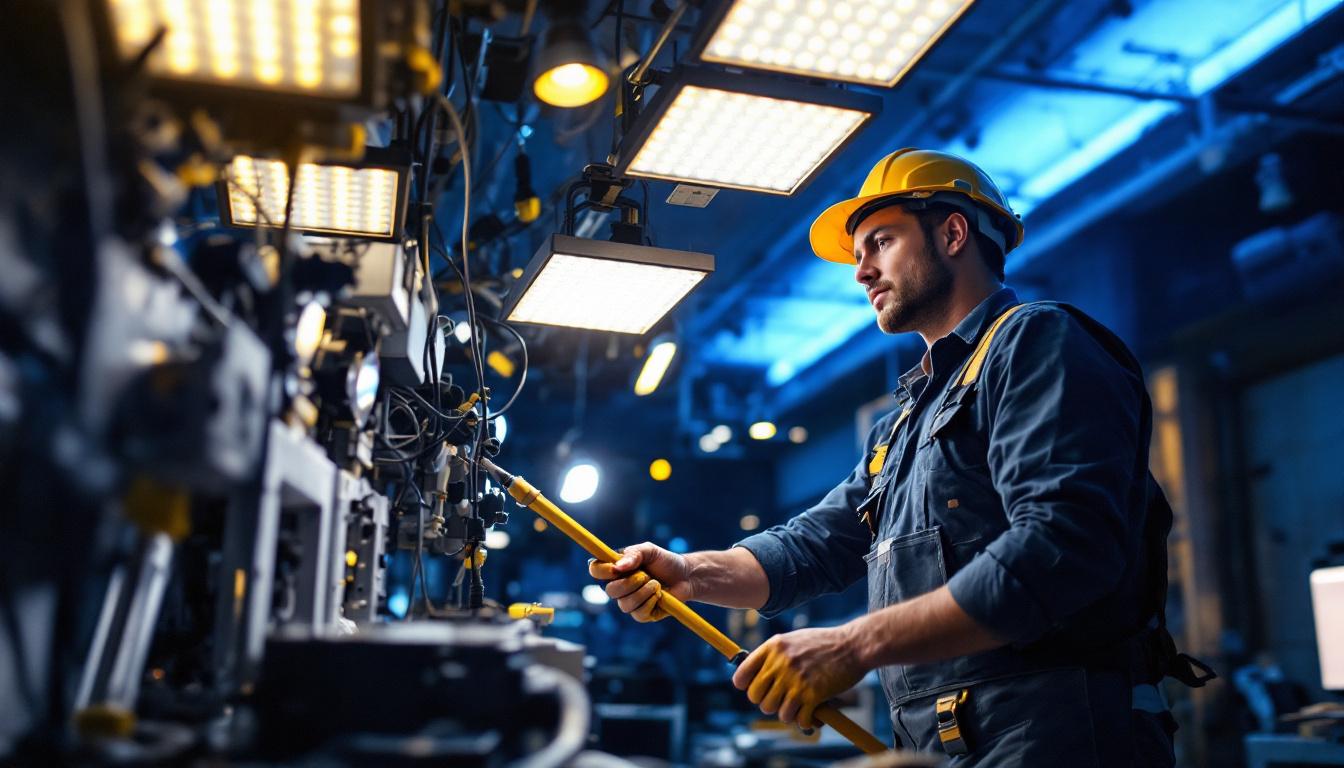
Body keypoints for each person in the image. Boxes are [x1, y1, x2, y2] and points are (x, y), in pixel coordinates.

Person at [590, 148, 1205, 765]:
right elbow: (816, 546)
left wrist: (852, 645)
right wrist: (690, 573)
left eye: (880, 242)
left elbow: (1060, 548)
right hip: (946, 743)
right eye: (858, 255)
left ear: (954, 232)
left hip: (1058, 737)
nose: (862, 272)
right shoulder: (904, 424)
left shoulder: (1035, 342)